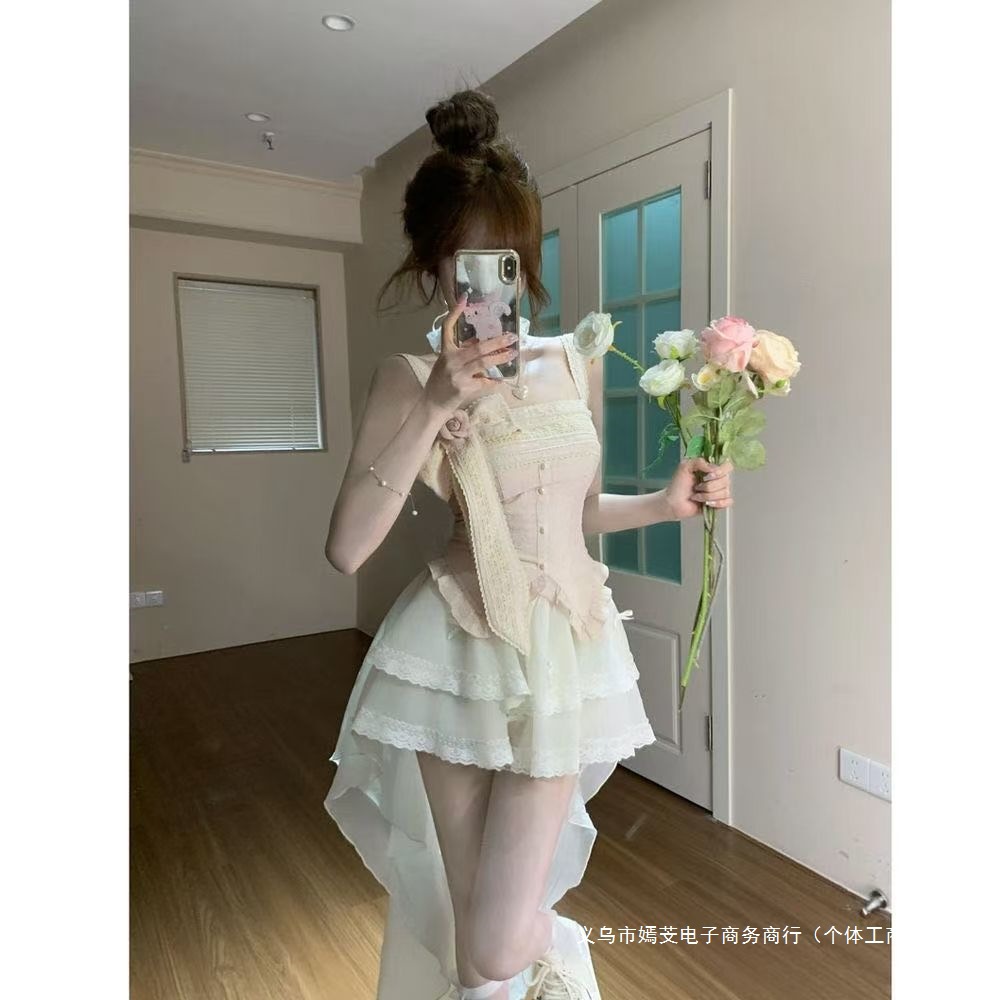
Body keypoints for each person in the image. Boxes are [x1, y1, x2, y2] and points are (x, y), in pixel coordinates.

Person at [323, 89, 734, 1000]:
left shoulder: (571, 364)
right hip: (455, 651)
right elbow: (347, 550)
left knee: (502, 937)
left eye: (504, 258)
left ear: (524, 260)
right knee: (474, 937)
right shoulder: (407, 378)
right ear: (433, 261)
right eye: (466, 259)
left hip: (564, 653)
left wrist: (663, 504)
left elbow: (575, 515)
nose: (487, 283)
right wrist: (436, 404)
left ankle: (555, 955)